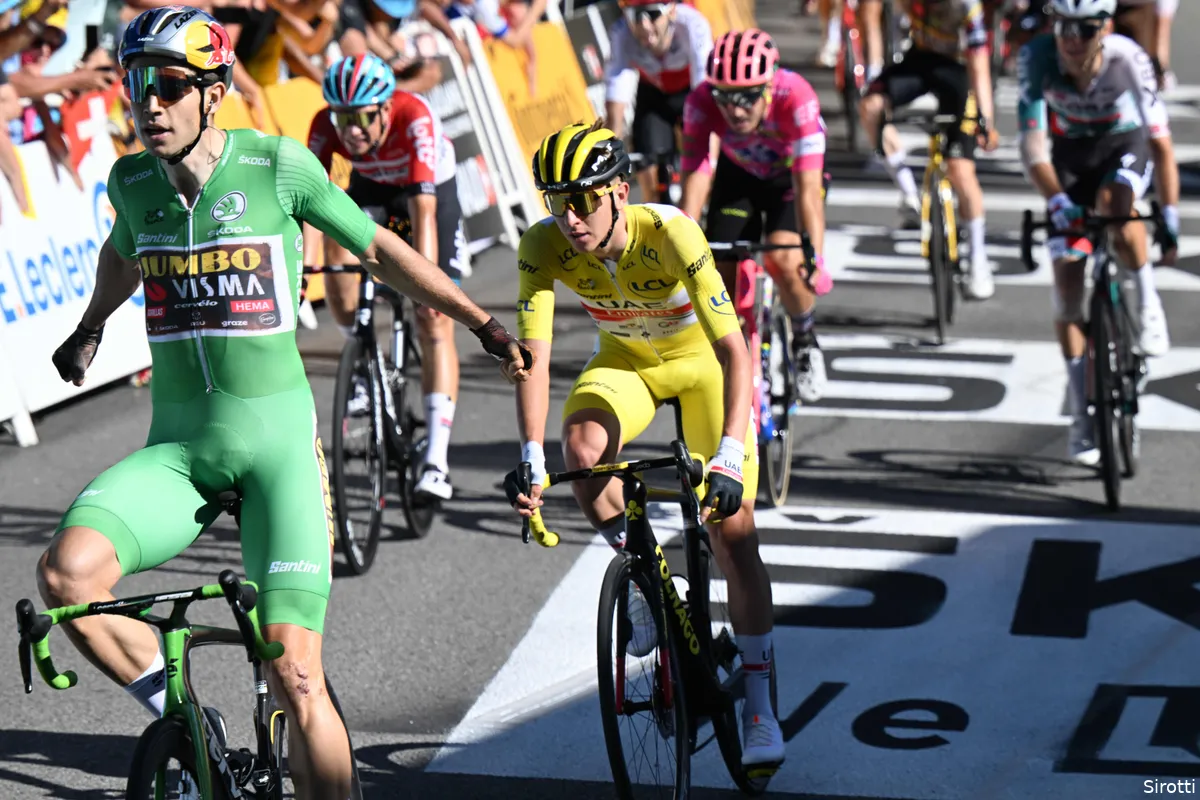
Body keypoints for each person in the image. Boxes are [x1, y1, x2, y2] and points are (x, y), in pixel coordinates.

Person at [40, 9, 529, 800]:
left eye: (168, 87)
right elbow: (120, 251)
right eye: (138, 87)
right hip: (181, 455)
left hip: (276, 454)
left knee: (296, 673)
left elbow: (376, 248)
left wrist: (479, 322)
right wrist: (90, 326)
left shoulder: (277, 167)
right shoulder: (130, 182)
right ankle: (189, 725)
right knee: (67, 579)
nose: (149, 104)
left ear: (215, 91)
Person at [504, 120, 786, 768]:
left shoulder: (670, 233)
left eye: (583, 200)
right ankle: (643, 586)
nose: (569, 217)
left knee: (734, 531)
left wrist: (731, 456)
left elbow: (734, 351)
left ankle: (761, 704)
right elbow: (535, 360)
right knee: (580, 452)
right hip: (626, 364)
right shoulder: (543, 245)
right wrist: (529, 459)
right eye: (557, 201)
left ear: (619, 193)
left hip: (702, 367)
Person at [1016, 0, 1178, 464]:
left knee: (1116, 210)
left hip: (1123, 146)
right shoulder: (1038, 58)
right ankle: (1081, 415)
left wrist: (1168, 216)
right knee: (1067, 285)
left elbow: (1161, 145)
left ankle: (1148, 306)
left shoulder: (1127, 57)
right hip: (1070, 159)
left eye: (1085, 28)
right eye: (1063, 25)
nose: (1071, 38)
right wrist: (1059, 203)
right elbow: (1032, 148)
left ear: (1103, 28)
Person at [307, 52, 468, 501]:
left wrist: (427, 287)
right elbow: (311, 207)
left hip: (426, 194)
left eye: (361, 118)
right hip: (372, 190)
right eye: (342, 119)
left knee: (435, 319)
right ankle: (360, 354)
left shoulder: (414, 117)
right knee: (337, 250)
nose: (351, 130)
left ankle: (436, 458)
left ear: (383, 108)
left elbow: (425, 212)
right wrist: (300, 273)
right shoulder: (325, 126)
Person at [679, 28, 834, 404]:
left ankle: (804, 336)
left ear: (768, 88)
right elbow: (697, 173)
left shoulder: (796, 96)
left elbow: (809, 191)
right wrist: (679, 243)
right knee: (719, 272)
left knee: (784, 257)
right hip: (739, 177)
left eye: (747, 97)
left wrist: (814, 257)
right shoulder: (701, 101)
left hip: (790, 178)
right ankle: (734, 365)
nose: (735, 110)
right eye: (725, 98)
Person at [857, 0, 1000, 301]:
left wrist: (986, 118)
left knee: (961, 171)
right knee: (871, 107)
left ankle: (978, 259)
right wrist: (874, 71)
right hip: (919, 60)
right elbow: (869, 13)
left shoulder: (965, 5)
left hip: (959, 70)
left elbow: (979, 62)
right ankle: (910, 194)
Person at [603, 0, 712, 204]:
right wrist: (609, 168)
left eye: (652, 15)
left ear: (671, 12)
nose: (644, 25)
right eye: (636, 16)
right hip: (653, 95)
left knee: (700, 172)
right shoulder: (621, 34)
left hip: (691, 93)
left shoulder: (692, 24)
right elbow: (615, 112)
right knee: (651, 184)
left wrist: (710, 161)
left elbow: (706, 100)